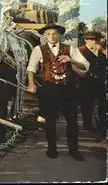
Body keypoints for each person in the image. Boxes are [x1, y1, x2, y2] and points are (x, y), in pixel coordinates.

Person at [27, 23, 89, 161]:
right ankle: (52, 149)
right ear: (44, 35)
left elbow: (85, 66)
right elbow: (31, 68)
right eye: (48, 34)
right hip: (50, 88)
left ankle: (74, 150)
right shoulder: (38, 49)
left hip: (69, 88)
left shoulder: (70, 48)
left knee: (72, 120)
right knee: (50, 120)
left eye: (54, 33)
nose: (51, 36)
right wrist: (31, 83)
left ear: (59, 35)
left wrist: (72, 60)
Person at [78, 31, 107, 142]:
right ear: (86, 40)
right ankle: (88, 126)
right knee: (87, 105)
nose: (94, 42)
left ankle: (102, 128)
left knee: (102, 106)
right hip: (86, 82)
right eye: (91, 39)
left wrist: (103, 50)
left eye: (96, 39)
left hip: (100, 83)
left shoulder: (102, 51)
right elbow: (76, 65)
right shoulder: (81, 51)